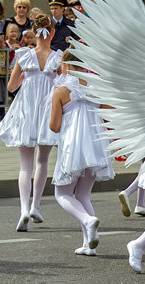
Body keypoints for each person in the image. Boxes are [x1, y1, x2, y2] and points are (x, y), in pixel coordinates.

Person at [0, 14, 62, 230]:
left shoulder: (24, 55)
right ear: (52, 32)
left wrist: (25, 79)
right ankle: (35, 206)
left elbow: (11, 87)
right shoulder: (57, 58)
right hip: (47, 110)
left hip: (27, 110)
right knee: (43, 161)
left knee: (25, 165)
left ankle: (23, 209)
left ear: (34, 32)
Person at [48, 50, 115, 256]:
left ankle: (88, 221)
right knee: (84, 194)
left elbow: (54, 125)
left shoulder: (61, 91)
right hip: (95, 146)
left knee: (63, 193)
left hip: (73, 147)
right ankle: (88, 243)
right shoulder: (95, 89)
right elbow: (109, 114)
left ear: (66, 66)